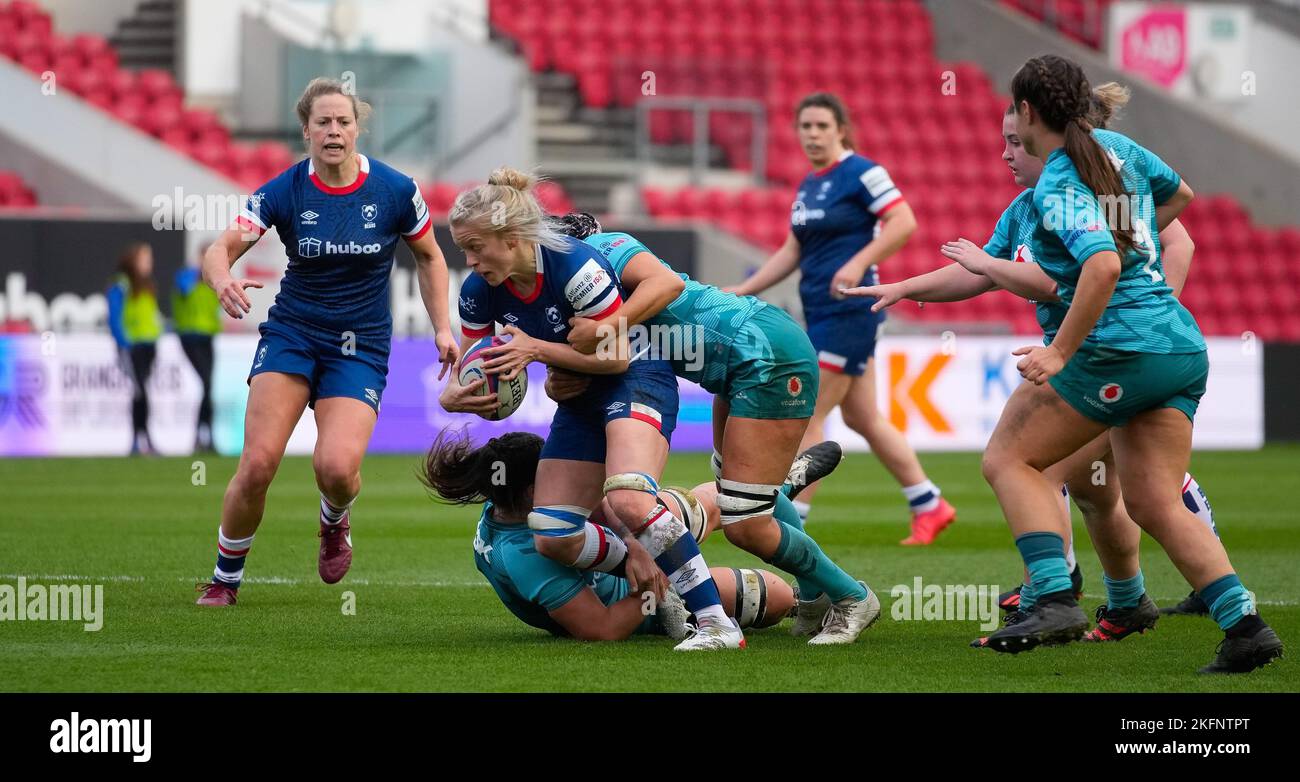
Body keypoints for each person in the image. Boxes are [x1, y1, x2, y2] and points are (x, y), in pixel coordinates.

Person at [935, 55, 1278, 673]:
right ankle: (1245, 627)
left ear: (1029, 111)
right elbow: (1181, 198)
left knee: (1012, 459)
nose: (1008, 139)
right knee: (1152, 501)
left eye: (1014, 121)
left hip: (1120, 348)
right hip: (1178, 345)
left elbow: (1101, 267)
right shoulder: (1117, 150)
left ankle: (1055, 596)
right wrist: (1137, 236)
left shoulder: (1059, 182)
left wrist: (1059, 350)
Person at [849, 83, 1222, 643]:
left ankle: (1052, 590)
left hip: (1114, 357)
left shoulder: (1098, 189)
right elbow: (982, 271)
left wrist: (1146, 308)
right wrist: (906, 287)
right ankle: (1128, 602)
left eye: (1013, 140)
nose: (1005, 152)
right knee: (1095, 488)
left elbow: (1077, 273)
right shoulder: (1031, 206)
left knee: (1033, 468)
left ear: (1043, 136)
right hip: (1111, 356)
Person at [439, 168, 741, 651]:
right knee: (552, 532)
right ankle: (646, 571)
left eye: (476, 247)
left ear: (512, 237)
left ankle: (716, 624)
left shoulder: (575, 267)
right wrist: (457, 397)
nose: (470, 261)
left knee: (628, 498)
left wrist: (537, 350)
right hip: (581, 392)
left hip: (637, 376)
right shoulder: (477, 291)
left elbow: (616, 355)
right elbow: (486, 377)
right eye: (463, 250)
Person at [194, 77, 459, 606]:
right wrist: (221, 278)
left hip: (360, 345)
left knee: (337, 470)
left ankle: (334, 519)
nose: (333, 131)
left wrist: (443, 327)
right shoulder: (283, 191)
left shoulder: (395, 189)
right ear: (306, 131)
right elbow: (219, 250)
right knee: (259, 462)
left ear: (357, 128)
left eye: (343, 121)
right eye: (323, 123)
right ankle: (225, 579)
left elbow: (430, 256)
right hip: (293, 333)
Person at [554, 213, 878, 644]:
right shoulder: (581, 288)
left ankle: (853, 597)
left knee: (745, 521)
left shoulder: (607, 248)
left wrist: (601, 332)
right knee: (736, 491)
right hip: (738, 362)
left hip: (763, 355)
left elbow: (663, 285)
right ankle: (816, 592)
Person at [726, 92, 955, 545]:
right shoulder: (810, 185)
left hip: (850, 310)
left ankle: (797, 523)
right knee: (863, 418)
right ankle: (929, 503)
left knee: (808, 412)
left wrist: (857, 263)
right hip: (821, 313)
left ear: (840, 130)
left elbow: (903, 221)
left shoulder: (862, 173)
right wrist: (746, 289)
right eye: (804, 127)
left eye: (820, 127)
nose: (811, 134)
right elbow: (794, 250)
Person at [420, 429, 814, 642]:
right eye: (551, 475)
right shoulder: (526, 556)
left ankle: (767, 488)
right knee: (777, 596)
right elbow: (602, 629)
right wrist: (649, 592)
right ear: (529, 491)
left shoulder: (509, 505)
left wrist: (638, 545)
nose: (563, 479)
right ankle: (769, 501)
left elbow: (597, 500)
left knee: (686, 509)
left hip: (616, 549)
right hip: (633, 600)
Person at [107, 242, 163, 455]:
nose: (150, 263)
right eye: (145, 259)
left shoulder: (147, 285)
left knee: (142, 391)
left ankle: (141, 440)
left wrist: (159, 332)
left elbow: (150, 314)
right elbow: (114, 316)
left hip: (148, 344)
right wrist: (123, 343)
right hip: (133, 346)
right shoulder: (122, 284)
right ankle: (141, 439)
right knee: (140, 392)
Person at [172, 245, 222, 453]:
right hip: (190, 336)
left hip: (208, 336)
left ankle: (205, 435)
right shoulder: (187, 276)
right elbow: (183, 288)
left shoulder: (214, 280)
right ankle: (201, 435)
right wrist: (199, 272)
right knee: (207, 383)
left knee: (208, 386)